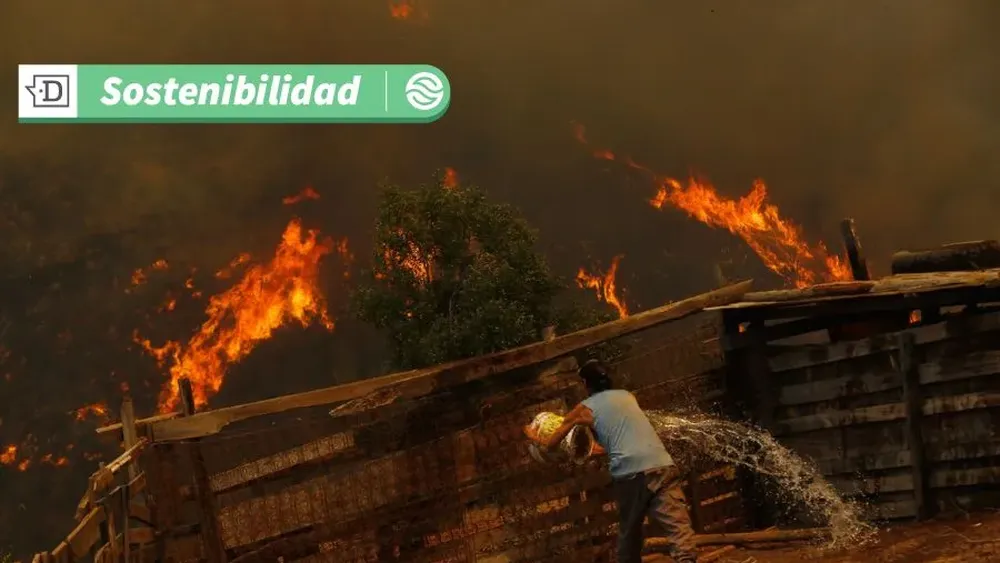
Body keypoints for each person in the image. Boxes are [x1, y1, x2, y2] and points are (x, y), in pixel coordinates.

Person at [524, 359, 698, 563]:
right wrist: (587, 449)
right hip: (662, 465)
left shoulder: (583, 408)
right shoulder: (628, 396)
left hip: (631, 475)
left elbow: (550, 445)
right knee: (678, 526)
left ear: (585, 384)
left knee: (630, 533)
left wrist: (531, 435)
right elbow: (621, 439)